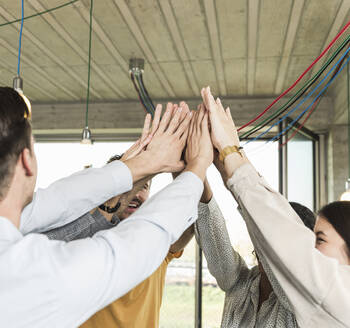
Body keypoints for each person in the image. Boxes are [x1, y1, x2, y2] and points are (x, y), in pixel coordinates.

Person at [0, 87, 213, 327]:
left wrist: (138, 166)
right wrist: (197, 166)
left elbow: (57, 200)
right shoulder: (34, 273)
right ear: (27, 162)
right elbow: (127, 248)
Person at [200, 86, 350, 327]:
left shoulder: (308, 305)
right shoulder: (242, 284)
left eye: (318, 240)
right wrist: (197, 172)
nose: (273, 245)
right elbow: (216, 240)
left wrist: (232, 153)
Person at [44, 153, 194, 328]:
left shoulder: (155, 238)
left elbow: (191, 221)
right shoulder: (82, 237)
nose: (136, 192)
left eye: (143, 185)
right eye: (128, 183)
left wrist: (186, 167)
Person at [196, 176, 315, 327]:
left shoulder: (302, 302)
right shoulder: (240, 283)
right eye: (266, 237)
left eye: (278, 241)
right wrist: (196, 174)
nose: (267, 248)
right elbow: (213, 233)